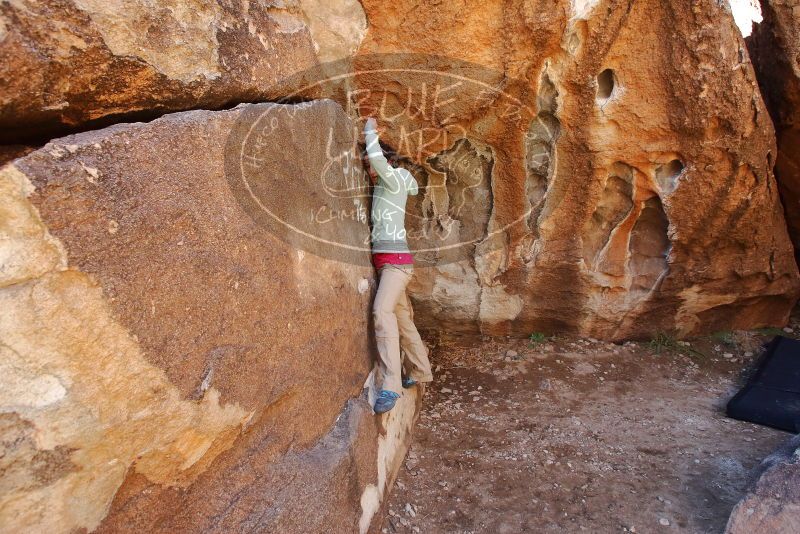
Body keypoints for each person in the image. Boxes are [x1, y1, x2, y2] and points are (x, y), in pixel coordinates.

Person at [364, 117, 433, 414]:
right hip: (390, 264)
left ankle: (391, 386)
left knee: (382, 312)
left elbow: (381, 165)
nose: (369, 169)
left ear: (386, 161)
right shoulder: (386, 186)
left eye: (371, 163)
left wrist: (369, 132)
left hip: (395, 265)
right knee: (403, 320)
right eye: (366, 164)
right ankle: (420, 370)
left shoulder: (394, 178)